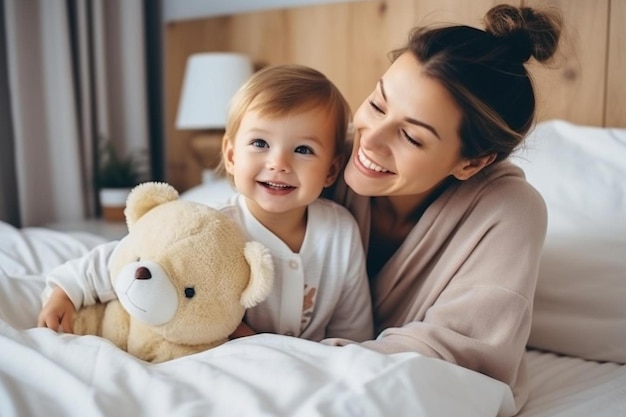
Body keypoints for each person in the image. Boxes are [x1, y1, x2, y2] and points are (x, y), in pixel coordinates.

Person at [322, 3, 562, 413]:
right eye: (378, 105)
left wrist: (295, 351)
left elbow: (461, 355)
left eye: (411, 137)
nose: (370, 141)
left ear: (472, 162)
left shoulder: (509, 212)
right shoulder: (322, 155)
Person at [37, 64, 374, 344]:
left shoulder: (341, 233)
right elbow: (128, 257)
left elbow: (353, 330)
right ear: (230, 156)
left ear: (331, 169)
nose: (278, 163)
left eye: (303, 150)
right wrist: (66, 292)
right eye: (260, 143)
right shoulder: (209, 225)